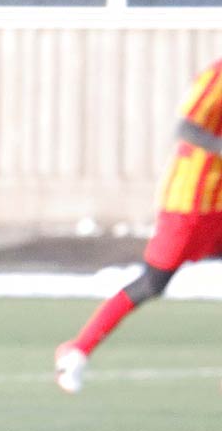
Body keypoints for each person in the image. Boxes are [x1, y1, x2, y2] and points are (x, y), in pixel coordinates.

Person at [55, 58, 222, 393]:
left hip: (218, 203)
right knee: (152, 283)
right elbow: (187, 128)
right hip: (189, 203)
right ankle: (78, 350)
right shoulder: (218, 76)